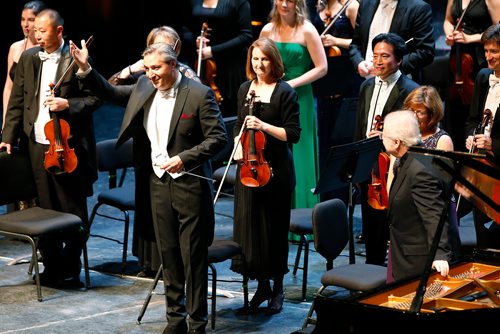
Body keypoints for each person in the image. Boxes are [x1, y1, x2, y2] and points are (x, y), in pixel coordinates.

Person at [70, 41, 227, 333]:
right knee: (167, 253)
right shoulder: (144, 87)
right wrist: (85, 68)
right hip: (157, 183)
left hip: (189, 185)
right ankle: (175, 319)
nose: (151, 74)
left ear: (173, 65)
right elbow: (111, 92)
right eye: (147, 68)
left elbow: (219, 140)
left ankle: (197, 323)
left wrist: (184, 158)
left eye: (157, 68)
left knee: (193, 257)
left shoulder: (199, 94)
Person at [0, 8, 101, 287]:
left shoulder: (77, 59)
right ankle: (52, 265)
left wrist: (70, 104)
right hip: (37, 145)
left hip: (68, 148)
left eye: (42, 31)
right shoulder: (30, 58)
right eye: (34, 30)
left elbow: (96, 98)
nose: (36, 35)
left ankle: (72, 265)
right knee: (44, 207)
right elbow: (18, 100)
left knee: (72, 210)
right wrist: (9, 134)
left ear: (58, 31)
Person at [107, 25, 200, 279]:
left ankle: (169, 262)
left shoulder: (186, 76)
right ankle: (149, 261)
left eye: (165, 47)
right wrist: (133, 68)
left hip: (173, 153)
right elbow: (111, 87)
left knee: (167, 211)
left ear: (175, 51)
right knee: (147, 206)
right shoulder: (145, 75)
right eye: (154, 46)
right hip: (145, 150)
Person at [230, 37, 301, 315]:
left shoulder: (285, 92)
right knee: (253, 231)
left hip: (277, 171)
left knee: (274, 231)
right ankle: (261, 286)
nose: (259, 65)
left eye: (264, 59)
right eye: (255, 59)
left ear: (274, 61)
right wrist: (237, 144)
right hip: (249, 167)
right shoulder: (245, 89)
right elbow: (239, 123)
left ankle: (278, 287)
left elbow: (292, 134)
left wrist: (263, 125)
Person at [355, 33, 419, 265]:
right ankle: (372, 272)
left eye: (385, 56)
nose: (378, 61)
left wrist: (385, 136)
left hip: (394, 166)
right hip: (369, 166)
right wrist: (357, 163)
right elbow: (359, 125)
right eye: (375, 56)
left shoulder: (410, 89)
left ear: (399, 60)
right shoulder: (367, 86)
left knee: (392, 226)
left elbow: (413, 135)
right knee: (371, 225)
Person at [260, 0, 328, 209]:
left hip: (301, 98)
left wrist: (291, 84)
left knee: (301, 153)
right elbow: (258, 60)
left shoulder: (307, 30)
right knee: (273, 150)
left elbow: (322, 67)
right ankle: (277, 213)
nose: (284, 4)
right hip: (272, 96)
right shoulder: (267, 30)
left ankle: (303, 215)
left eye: (289, 0)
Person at [382, 110, 452, 283]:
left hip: (416, 262)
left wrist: (440, 254)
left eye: (383, 135)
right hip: (405, 252)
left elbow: (433, 215)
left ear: (397, 142)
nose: (381, 138)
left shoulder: (420, 170)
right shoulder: (411, 159)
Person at [402, 85, 462, 261]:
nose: (413, 116)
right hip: (408, 213)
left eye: (419, 112)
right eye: (410, 110)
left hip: (434, 211)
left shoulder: (442, 140)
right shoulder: (404, 138)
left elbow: (442, 183)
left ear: (432, 114)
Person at [311, 0, 361, 203]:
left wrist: (335, 41)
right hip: (325, 85)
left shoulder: (351, 6)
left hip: (346, 83)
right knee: (324, 144)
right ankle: (325, 201)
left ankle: (341, 200)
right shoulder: (320, 7)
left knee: (342, 144)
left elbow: (362, 41)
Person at [443, 0, 499, 153]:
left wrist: (470, 38)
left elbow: (497, 29)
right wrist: (449, 34)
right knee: (457, 112)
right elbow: (448, 20)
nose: (490, 56)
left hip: (478, 56)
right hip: (458, 57)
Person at [181, 0, 253, 117]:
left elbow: (246, 35)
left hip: (230, 66)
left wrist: (213, 51)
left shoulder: (239, 2)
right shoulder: (194, 1)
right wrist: (195, 40)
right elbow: (185, 29)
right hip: (201, 63)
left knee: (229, 111)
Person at [465, 23, 500, 249]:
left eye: (494, 51)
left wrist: (493, 144)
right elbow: (472, 118)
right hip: (482, 165)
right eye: (486, 51)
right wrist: (471, 136)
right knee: (482, 231)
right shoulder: (483, 77)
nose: (488, 57)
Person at [349, 0, 435, 83]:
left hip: (401, 84)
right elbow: (355, 44)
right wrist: (359, 63)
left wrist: (390, 67)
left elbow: (425, 51)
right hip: (366, 82)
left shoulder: (419, 8)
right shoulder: (365, 3)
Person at [3, 1, 46, 128]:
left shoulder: (46, 50)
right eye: (23, 19)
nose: (25, 25)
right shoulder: (15, 48)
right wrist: (7, 120)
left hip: (36, 115)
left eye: (31, 20)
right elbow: (9, 87)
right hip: (16, 113)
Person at [109, 25, 199, 86]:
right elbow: (109, 90)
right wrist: (129, 70)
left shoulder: (185, 72)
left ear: (176, 48)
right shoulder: (141, 70)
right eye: (158, 46)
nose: (163, 51)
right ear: (150, 47)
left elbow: (201, 97)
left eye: (168, 46)